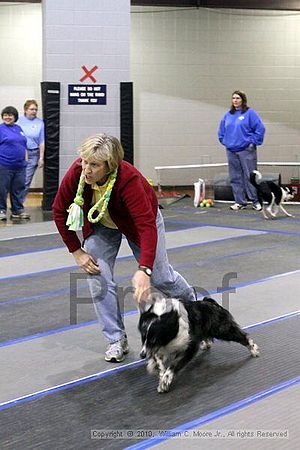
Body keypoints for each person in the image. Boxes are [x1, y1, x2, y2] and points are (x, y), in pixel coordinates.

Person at [52, 134, 196, 363]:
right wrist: (76, 251)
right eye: (85, 162)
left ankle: (193, 303)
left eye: (94, 165)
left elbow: (147, 228)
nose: (86, 169)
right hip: (101, 222)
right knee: (96, 272)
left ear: (110, 166)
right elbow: (59, 210)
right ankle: (116, 339)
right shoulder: (78, 172)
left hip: (139, 223)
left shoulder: (130, 181)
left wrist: (145, 270)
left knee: (161, 277)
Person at [218, 90, 266, 211]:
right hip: (231, 150)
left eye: (238, 98)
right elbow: (221, 131)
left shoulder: (250, 113)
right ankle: (240, 201)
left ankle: (255, 201)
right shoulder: (228, 115)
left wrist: (252, 142)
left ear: (243, 100)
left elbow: (260, 128)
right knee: (235, 177)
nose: (235, 100)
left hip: (246, 150)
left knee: (250, 176)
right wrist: (226, 142)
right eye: (233, 98)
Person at [0, 106, 30, 221]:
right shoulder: (0, 129)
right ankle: (1, 210)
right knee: (2, 189)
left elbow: (23, 145)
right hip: (4, 165)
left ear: (15, 117)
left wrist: (25, 160)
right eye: (5, 115)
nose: (8, 117)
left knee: (18, 189)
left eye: (10, 115)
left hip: (20, 166)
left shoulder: (19, 128)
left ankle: (17, 210)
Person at [17, 99, 45, 200]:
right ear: (25, 110)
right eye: (31, 109)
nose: (34, 111)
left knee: (25, 181)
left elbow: (42, 141)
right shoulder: (18, 121)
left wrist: (41, 158)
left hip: (33, 153)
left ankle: (18, 205)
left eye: (36, 109)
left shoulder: (40, 123)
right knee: (16, 180)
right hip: (19, 153)